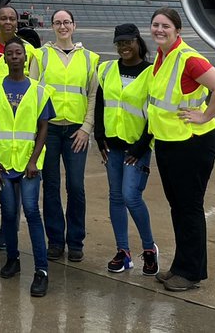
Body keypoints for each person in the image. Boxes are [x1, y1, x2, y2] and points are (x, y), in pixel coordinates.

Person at [147, 7, 215, 292]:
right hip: (170, 142)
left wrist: (206, 115)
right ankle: (181, 266)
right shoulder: (162, 57)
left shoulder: (188, 58)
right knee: (179, 207)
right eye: (156, 25)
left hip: (192, 144)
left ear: (177, 31)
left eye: (165, 26)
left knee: (189, 208)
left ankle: (191, 272)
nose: (159, 30)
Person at [0, 39, 55, 298]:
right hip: (2, 162)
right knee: (9, 214)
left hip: (28, 164)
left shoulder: (38, 90)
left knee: (32, 211)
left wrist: (33, 160)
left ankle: (41, 271)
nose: (14, 57)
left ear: (25, 58)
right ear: (5, 58)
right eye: (9, 53)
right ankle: (13, 259)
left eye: (18, 53)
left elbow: (44, 126)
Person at [33, 8, 98, 262]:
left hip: (76, 132)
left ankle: (76, 241)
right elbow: (35, 95)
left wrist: (86, 127)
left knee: (75, 186)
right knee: (50, 187)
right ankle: (56, 241)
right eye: (58, 23)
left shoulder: (91, 58)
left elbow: (93, 95)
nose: (63, 27)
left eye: (67, 22)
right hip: (49, 131)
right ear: (52, 26)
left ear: (74, 25)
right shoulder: (41, 56)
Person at [93, 23, 158, 276]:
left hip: (137, 147)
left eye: (128, 42)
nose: (124, 47)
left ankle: (149, 249)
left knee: (131, 196)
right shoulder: (108, 69)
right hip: (113, 145)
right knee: (116, 197)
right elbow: (100, 103)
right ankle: (124, 252)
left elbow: (155, 112)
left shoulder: (151, 73)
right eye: (119, 43)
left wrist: (142, 145)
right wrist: (100, 137)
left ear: (137, 42)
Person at [0, 5, 40, 84]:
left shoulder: (28, 49)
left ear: (16, 23)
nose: (8, 22)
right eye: (3, 19)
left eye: (12, 19)